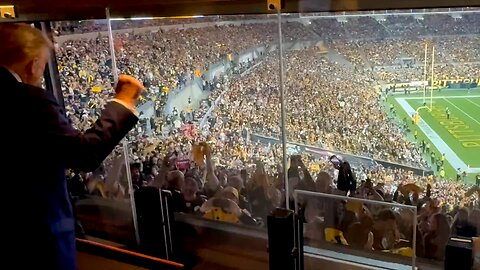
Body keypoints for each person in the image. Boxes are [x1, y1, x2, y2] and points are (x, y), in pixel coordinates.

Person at [0, 23, 144, 270]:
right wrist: (123, 101)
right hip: (33, 238)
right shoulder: (26, 101)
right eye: (44, 66)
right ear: (33, 64)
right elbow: (84, 155)